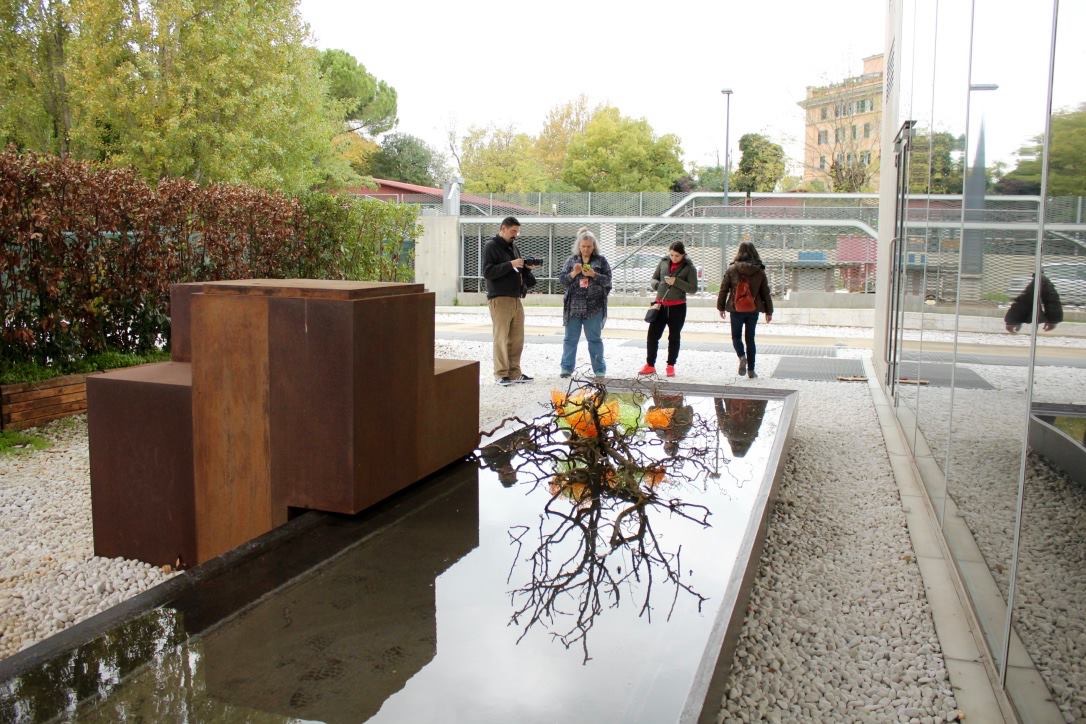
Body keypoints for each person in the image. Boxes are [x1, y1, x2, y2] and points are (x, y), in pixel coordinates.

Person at [483, 216, 540, 386]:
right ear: (503, 228)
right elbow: (488, 272)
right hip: (499, 298)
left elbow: (516, 269)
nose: (515, 235)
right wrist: (511, 264)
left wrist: (526, 268)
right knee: (501, 337)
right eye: (513, 231)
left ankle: (515, 372)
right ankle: (501, 374)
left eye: (517, 232)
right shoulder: (491, 246)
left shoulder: (514, 247)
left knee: (517, 338)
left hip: (516, 298)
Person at [640, 241, 699, 377]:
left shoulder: (689, 267)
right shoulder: (663, 262)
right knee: (652, 336)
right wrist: (658, 285)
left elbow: (693, 288)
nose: (674, 258)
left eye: (677, 256)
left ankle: (670, 365)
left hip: (677, 307)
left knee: (674, 337)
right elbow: (654, 279)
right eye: (671, 255)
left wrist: (676, 282)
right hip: (659, 305)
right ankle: (650, 365)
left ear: (683, 254)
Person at [559, 227, 612, 378]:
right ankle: (566, 368)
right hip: (574, 308)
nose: (586, 249)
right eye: (583, 246)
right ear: (579, 246)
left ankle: (599, 369)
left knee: (594, 340)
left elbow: (608, 281)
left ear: (594, 246)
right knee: (570, 339)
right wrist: (574, 273)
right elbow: (562, 280)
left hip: (594, 308)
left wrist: (594, 275)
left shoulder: (601, 261)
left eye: (589, 246)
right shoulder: (571, 260)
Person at [717, 241, 773, 379]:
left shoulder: (732, 269)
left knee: (736, 337)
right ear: (754, 253)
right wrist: (769, 311)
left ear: (739, 252)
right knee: (750, 339)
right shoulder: (759, 271)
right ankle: (751, 370)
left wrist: (721, 307)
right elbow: (765, 293)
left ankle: (742, 357)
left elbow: (723, 289)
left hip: (736, 309)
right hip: (753, 309)